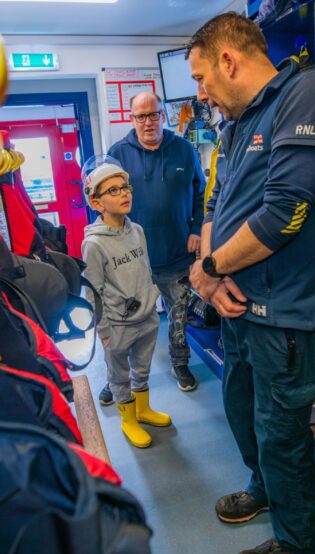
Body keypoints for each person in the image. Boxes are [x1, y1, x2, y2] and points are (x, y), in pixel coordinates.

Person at [187, 13, 315, 554]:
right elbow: (216, 204)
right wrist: (210, 280)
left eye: (202, 78)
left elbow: (285, 213)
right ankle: (264, 491)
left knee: (280, 430)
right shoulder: (235, 125)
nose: (202, 92)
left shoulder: (307, 93)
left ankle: (300, 545)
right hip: (233, 301)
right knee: (241, 408)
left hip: (282, 308)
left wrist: (208, 267)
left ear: (228, 61)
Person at [101, 91, 205, 403]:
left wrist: (197, 229)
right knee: (126, 322)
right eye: (140, 116)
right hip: (132, 259)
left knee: (178, 315)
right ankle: (117, 379)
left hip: (176, 252)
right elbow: (105, 202)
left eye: (153, 114)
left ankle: (180, 363)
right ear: (131, 119)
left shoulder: (184, 150)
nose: (148, 122)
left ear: (163, 115)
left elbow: (201, 194)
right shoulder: (118, 153)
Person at [81, 161, 171, 448]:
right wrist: (104, 330)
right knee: (119, 375)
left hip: (147, 317)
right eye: (114, 190)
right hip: (117, 326)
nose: (124, 194)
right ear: (97, 202)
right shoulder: (94, 245)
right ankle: (127, 418)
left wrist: (152, 297)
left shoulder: (138, 231)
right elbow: (92, 291)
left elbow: (144, 269)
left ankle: (142, 410)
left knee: (141, 368)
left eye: (125, 187)